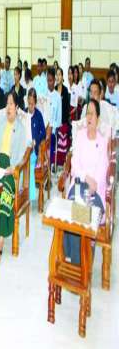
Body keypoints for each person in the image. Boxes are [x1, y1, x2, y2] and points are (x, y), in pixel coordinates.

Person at [0, 92, 28, 263]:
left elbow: (22, 154)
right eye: (7, 104)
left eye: (11, 104)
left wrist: (13, 167)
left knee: (5, 191)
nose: (8, 107)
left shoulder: (21, 129)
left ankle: (0, 240)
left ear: (17, 107)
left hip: (10, 169)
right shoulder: (1, 123)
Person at [63, 100, 109, 265]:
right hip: (79, 184)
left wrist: (92, 184)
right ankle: (74, 260)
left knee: (85, 213)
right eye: (87, 113)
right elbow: (75, 165)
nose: (89, 117)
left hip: (96, 191)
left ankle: (82, 260)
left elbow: (102, 169)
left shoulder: (102, 142)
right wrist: (86, 178)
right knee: (74, 210)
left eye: (92, 114)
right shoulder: (80, 136)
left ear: (98, 118)